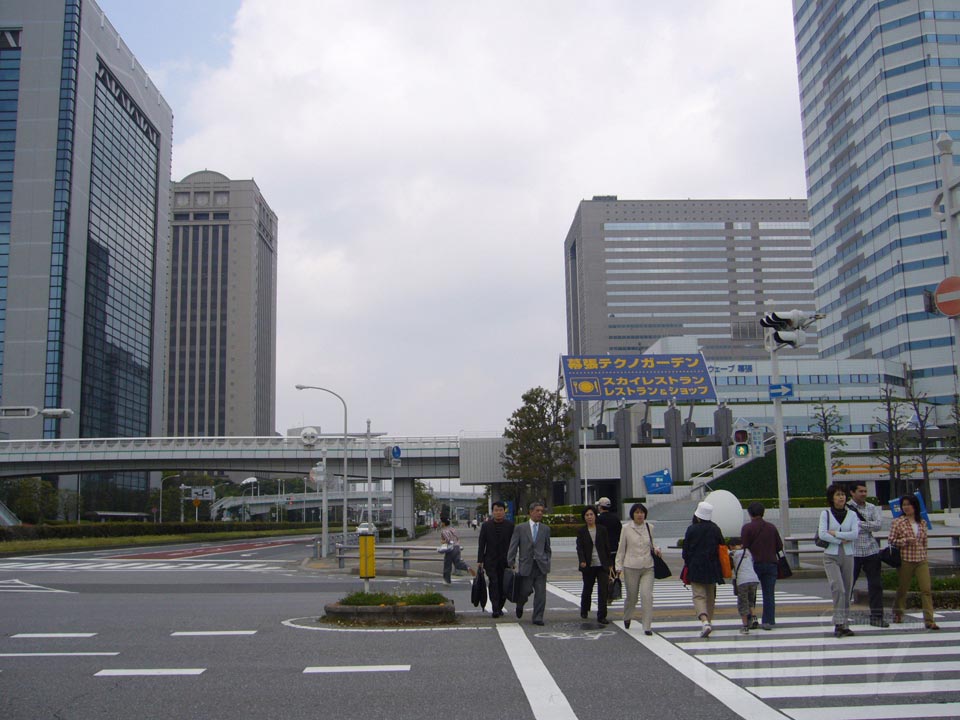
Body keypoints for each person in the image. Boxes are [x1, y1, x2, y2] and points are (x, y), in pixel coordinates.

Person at [888, 494, 939, 630]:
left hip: (921, 559)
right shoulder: (898, 522)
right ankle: (898, 613)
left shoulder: (921, 522)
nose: (906, 507)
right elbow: (891, 540)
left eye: (908, 504)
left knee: (926, 589)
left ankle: (929, 620)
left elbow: (924, 541)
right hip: (906, 559)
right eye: (904, 505)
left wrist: (925, 555)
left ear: (915, 506)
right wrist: (904, 541)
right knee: (903, 589)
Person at [818, 483, 859, 638]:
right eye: (837, 495)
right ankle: (838, 623)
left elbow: (854, 534)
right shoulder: (826, 514)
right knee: (838, 589)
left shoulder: (852, 515)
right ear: (832, 498)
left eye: (842, 494)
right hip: (831, 555)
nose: (841, 497)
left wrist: (835, 534)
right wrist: (840, 539)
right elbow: (822, 534)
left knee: (847, 591)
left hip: (848, 555)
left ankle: (844, 624)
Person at [615, 502, 662, 635]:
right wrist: (618, 566)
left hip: (648, 566)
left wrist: (657, 549)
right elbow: (621, 548)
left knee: (646, 595)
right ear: (632, 515)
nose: (640, 515)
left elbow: (652, 543)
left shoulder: (649, 527)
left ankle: (647, 626)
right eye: (637, 512)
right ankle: (627, 616)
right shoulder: (626, 528)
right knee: (632, 597)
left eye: (641, 512)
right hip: (631, 567)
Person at [848, 481, 889, 627]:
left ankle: (877, 616)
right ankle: (842, 616)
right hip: (852, 551)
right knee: (848, 585)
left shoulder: (872, 507)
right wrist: (865, 526)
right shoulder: (847, 508)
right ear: (852, 493)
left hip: (871, 550)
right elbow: (850, 527)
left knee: (875, 584)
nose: (864, 494)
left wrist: (860, 525)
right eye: (861, 491)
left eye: (865, 491)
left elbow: (878, 525)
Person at [682, 501, 724, 638]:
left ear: (697, 516)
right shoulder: (715, 529)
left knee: (699, 596)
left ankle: (704, 621)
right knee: (710, 596)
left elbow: (685, 551)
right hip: (712, 567)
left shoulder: (692, 529)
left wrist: (688, 562)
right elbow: (722, 547)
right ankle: (709, 622)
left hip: (696, 566)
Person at [739, 501, 783, 631]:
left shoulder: (747, 528)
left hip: (753, 565)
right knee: (769, 594)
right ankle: (768, 621)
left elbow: (744, 547)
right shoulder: (771, 527)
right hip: (771, 564)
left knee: (750, 594)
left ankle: (750, 618)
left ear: (750, 513)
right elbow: (779, 546)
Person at [507, 501, 552, 626]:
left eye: (541, 511)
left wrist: (547, 560)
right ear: (530, 512)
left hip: (541, 566)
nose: (540, 513)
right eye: (537, 511)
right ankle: (520, 603)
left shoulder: (545, 529)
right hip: (526, 565)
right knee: (525, 590)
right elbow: (513, 545)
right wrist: (511, 561)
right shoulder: (520, 528)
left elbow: (548, 548)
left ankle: (538, 617)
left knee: (541, 594)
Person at [477, 501, 515, 618]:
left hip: (505, 561)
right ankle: (495, 608)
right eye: (496, 510)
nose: (498, 513)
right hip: (490, 560)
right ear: (492, 512)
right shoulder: (486, 526)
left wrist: (513, 560)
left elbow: (514, 544)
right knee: (494, 583)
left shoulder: (510, 525)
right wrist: (480, 561)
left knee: (504, 585)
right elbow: (482, 544)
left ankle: (499, 606)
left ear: (504, 511)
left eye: (500, 510)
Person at [576, 506, 612, 624]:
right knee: (587, 588)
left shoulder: (602, 529)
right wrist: (582, 560)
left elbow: (607, 546)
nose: (589, 517)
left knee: (603, 590)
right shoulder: (581, 531)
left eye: (591, 514)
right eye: (587, 515)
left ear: (595, 516)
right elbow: (579, 547)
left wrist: (610, 563)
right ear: (584, 517)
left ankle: (602, 615)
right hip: (588, 564)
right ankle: (584, 609)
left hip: (602, 564)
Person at [728, 537, 760, 634]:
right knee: (751, 600)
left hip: (742, 581)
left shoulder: (732, 554)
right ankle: (754, 617)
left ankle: (745, 626)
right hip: (754, 579)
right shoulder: (748, 552)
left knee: (743, 603)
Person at [439, 518, 475, 584]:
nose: (441, 524)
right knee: (458, 563)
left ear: (444, 523)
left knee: (447, 564)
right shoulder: (453, 529)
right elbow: (457, 537)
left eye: (441, 522)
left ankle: (447, 580)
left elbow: (448, 540)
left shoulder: (444, 531)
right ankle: (467, 567)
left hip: (450, 549)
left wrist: (442, 541)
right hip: (457, 547)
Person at [596, 497, 622, 567]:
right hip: (615, 548)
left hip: (603, 550)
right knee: (614, 570)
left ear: (600, 507)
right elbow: (620, 533)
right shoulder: (616, 518)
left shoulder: (598, 519)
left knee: (605, 572)